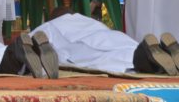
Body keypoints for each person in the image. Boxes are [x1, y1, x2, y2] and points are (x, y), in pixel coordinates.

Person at [31, 7, 179, 76]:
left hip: (88, 47)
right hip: (118, 39)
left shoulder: (51, 25)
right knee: (130, 51)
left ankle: (151, 63)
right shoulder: (91, 22)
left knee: (112, 61)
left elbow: (30, 43)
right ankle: (159, 54)